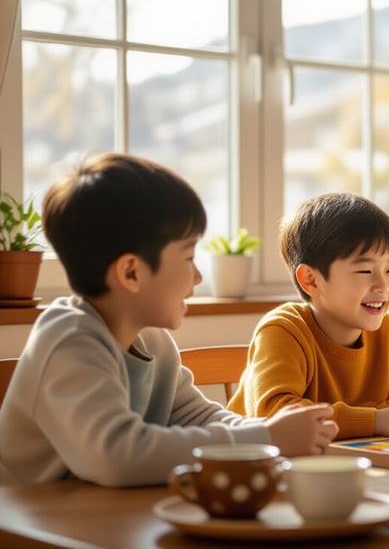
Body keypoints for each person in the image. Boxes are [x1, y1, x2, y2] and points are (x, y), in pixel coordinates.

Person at [0, 153, 339, 487]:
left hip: (99, 520)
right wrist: (267, 436)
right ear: (131, 272)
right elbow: (118, 456)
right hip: (29, 526)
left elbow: (196, 416)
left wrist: (268, 440)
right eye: (189, 256)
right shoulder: (70, 341)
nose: (197, 275)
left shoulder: (152, 340)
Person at [227, 192, 389, 438]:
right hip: (261, 469)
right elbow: (274, 415)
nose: (382, 286)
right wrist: (377, 420)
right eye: (364, 270)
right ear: (311, 280)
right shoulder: (283, 330)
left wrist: (375, 418)